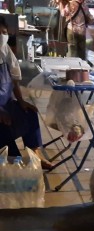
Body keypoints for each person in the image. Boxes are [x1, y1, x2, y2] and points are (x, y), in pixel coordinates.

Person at [0, 17, 53, 170]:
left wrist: (21, 101)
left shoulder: (4, 50)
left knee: (29, 113)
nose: (2, 36)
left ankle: (35, 153)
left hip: (6, 104)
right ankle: (13, 160)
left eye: (4, 33)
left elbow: (14, 78)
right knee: (13, 158)